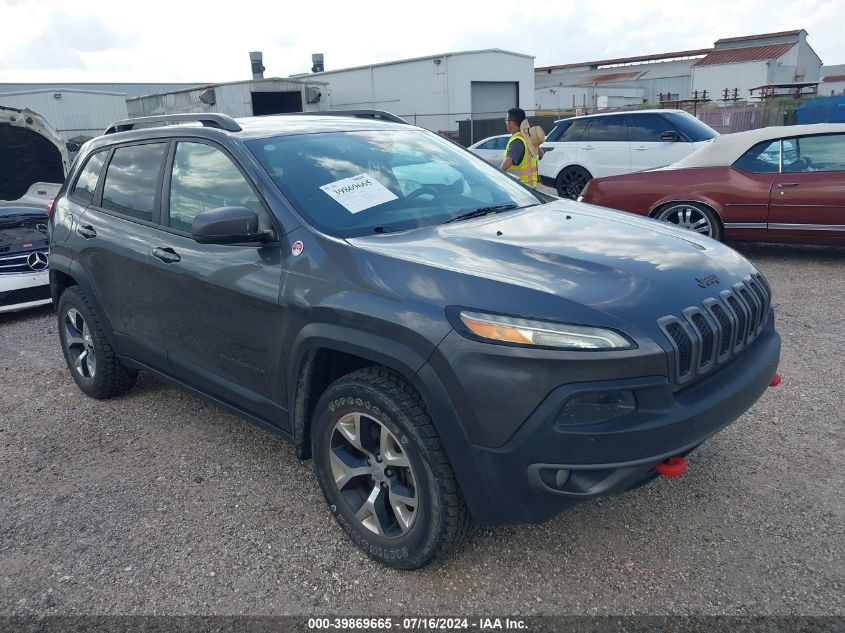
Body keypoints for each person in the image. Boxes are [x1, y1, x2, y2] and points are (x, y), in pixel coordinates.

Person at [499, 108, 544, 188]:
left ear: (512, 123)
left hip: (519, 188)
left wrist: (496, 175)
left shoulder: (517, 141)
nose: (505, 123)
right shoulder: (528, 138)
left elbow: (505, 166)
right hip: (530, 187)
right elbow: (541, 154)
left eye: (506, 120)